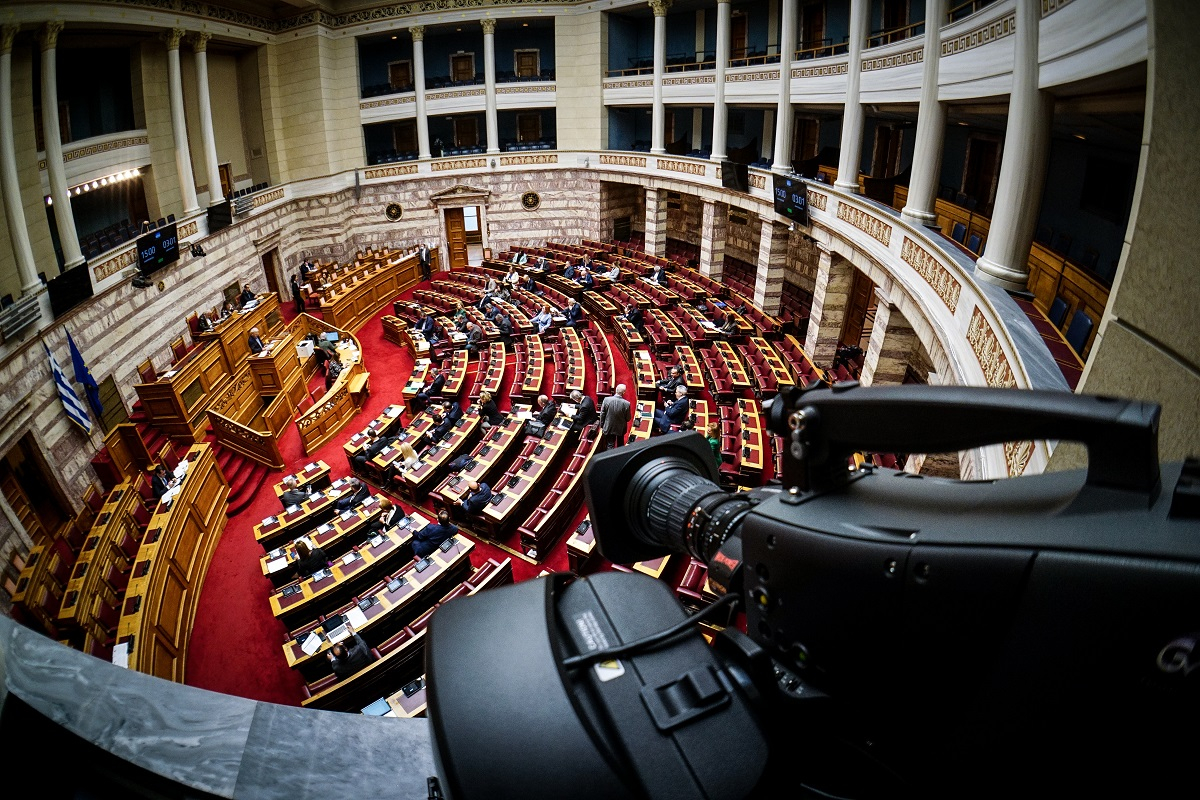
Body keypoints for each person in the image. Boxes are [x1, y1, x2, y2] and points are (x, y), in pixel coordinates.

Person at [598, 383, 632, 450]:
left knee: (610, 445)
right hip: (620, 428)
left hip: (609, 426)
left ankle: (609, 458)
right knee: (620, 444)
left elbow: (602, 414)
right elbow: (628, 418)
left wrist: (602, 425)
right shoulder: (626, 404)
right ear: (624, 392)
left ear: (616, 390)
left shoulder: (606, 400)